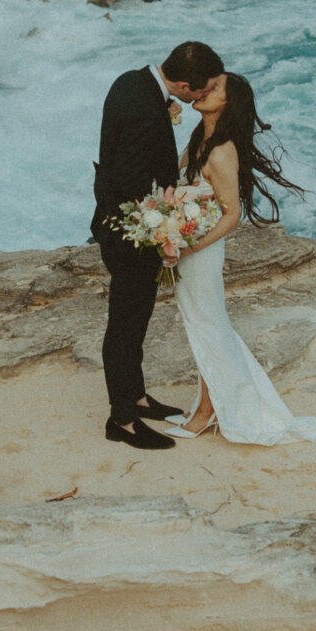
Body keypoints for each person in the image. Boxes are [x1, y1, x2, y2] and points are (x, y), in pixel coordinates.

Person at [160, 73, 316, 447]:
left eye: (214, 88)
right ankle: (206, 402)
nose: (202, 90)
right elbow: (180, 183)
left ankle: (208, 411)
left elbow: (231, 216)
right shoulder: (200, 137)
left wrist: (188, 247)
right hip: (186, 246)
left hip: (200, 252)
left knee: (209, 325)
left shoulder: (221, 151)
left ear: (228, 104)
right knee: (201, 324)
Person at [92, 40, 222, 449]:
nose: (201, 97)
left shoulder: (131, 81)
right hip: (129, 232)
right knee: (125, 326)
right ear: (183, 86)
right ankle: (123, 421)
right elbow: (131, 181)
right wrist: (161, 223)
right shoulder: (145, 108)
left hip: (124, 224)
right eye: (201, 90)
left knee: (138, 316)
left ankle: (136, 395)